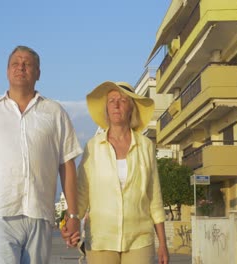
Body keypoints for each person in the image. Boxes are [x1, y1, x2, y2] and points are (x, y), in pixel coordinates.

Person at [0, 45, 83, 263]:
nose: (21, 68)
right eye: (15, 63)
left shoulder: (55, 113)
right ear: (7, 71)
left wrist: (72, 215)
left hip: (40, 215)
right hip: (0, 213)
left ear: (38, 73)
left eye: (27, 64)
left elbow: (67, 165)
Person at [72, 81, 169, 264]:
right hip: (101, 240)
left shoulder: (146, 146)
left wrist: (162, 244)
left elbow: (154, 197)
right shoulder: (93, 147)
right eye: (112, 101)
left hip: (139, 239)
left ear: (131, 109)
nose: (116, 104)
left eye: (123, 100)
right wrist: (73, 222)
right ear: (106, 110)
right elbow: (82, 193)